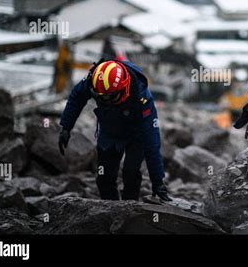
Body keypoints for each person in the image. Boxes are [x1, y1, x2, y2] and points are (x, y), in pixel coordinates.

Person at [58, 59, 171, 201]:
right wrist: (66, 127)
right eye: (101, 97)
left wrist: (157, 180)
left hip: (136, 136)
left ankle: (129, 210)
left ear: (123, 88)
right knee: (104, 177)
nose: (105, 101)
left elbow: (151, 141)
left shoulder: (142, 100)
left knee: (131, 173)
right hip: (109, 130)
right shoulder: (95, 80)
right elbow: (76, 96)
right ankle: (111, 211)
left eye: (110, 97)